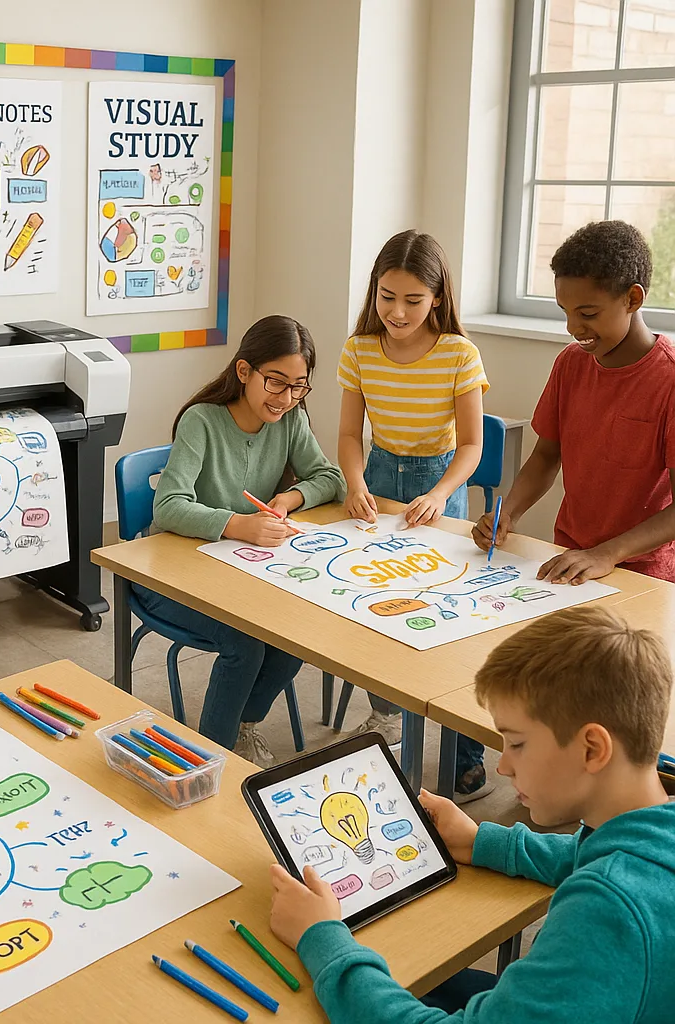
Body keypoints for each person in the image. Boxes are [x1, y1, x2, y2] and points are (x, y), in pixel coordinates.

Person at [269, 605, 675, 1022]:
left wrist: (321, 940)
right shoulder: (652, 829)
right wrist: (484, 841)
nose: (502, 767)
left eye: (516, 744)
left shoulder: (606, 912)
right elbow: (596, 855)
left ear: (592, 749)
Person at [148, 314, 346, 764]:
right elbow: (168, 505)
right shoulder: (202, 421)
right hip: (170, 574)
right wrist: (238, 524)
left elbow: (331, 477)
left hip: (238, 570)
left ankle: (241, 725)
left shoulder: (290, 420)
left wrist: (290, 497)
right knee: (245, 642)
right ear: (244, 371)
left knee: (295, 631)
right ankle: (208, 758)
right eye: (276, 382)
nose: (286, 398)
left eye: (299, 386)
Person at [337, 229, 489, 797]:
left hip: (438, 481)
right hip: (379, 475)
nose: (396, 312)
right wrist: (355, 483)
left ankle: (463, 751)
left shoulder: (458, 353)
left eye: (412, 300)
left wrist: (440, 493)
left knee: (447, 619)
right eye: (386, 296)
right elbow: (350, 433)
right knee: (375, 607)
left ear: (437, 298)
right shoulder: (359, 350)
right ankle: (391, 715)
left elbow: (472, 445)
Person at [473, 220, 675, 585]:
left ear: (633, 299)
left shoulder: (670, 380)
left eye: (587, 314)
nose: (572, 327)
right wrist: (510, 513)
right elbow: (546, 456)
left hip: (644, 573)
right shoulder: (570, 364)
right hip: (569, 559)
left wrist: (607, 553)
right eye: (564, 311)